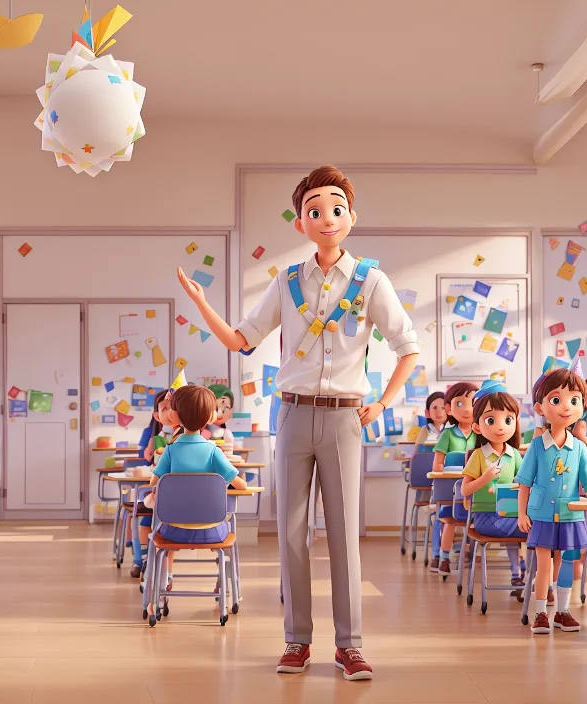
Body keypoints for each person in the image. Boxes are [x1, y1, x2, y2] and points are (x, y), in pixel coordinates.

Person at [177, 165, 419, 680]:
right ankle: (296, 640)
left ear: (351, 217)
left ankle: (350, 645)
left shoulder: (371, 280)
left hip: (346, 418)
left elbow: (408, 348)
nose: (326, 217)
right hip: (289, 412)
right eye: (314, 210)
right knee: (290, 533)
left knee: (344, 534)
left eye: (336, 208)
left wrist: (381, 405)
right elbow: (241, 340)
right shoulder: (286, 283)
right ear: (300, 224)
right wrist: (200, 304)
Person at [517, 359, 587, 637]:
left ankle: (563, 611)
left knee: (568, 562)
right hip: (540, 513)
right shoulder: (537, 446)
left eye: (574, 400)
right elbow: (524, 483)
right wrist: (522, 513)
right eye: (557, 399)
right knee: (543, 564)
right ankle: (541, 612)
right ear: (541, 408)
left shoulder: (579, 448)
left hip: (572, 514)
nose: (566, 406)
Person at [145, 385, 247, 582]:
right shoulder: (213, 451)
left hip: (172, 530)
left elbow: (154, 481)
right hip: (212, 531)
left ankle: (164, 582)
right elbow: (239, 485)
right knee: (229, 527)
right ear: (211, 417)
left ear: (174, 417)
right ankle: (223, 584)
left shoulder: (170, 450)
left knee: (157, 531)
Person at [459, 380, 524, 586]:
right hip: (486, 517)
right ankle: (526, 575)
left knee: (532, 527)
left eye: (508, 420)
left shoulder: (514, 454)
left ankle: (520, 574)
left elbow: (524, 482)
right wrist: (485, 478)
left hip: (511, 512)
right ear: (477, 427)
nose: (500, 427)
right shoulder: (478, 455)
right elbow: (464, 490)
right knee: (532, 529)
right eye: (490, 420)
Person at [431, 382, 477, 575]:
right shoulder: (447, 434)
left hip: (475, 494)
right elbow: (437, 465)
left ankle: (473, 556)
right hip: (452, 494)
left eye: (473, 403)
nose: (467, 409)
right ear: (449, 408)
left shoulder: (482, 433)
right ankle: (444, 557)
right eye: (460, 404)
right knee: (449, 520)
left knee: (476, 520)